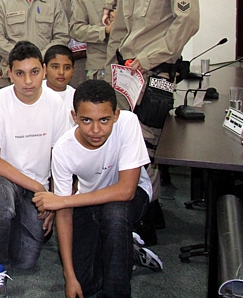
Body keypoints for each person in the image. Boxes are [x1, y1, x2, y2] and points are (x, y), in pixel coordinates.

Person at [106, 0, 200, 244]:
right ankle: (152, 208)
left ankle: (142, 218)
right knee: (126, 144)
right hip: (125, 75)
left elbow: (186, 25)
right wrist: (111, 68)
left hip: (156, 74)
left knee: (146, 148)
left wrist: (145, 60)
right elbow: (119, 29)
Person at [33, 80, 153, 298]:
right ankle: (124, 247)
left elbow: (126, 190)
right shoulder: (63, 150)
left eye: (104, 120)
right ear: (74, 116)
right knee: (85, 284)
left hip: (132, 196)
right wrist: (69, 276)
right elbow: (64, 215)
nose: (96, 130)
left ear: (116, 115)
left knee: (115, 213)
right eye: (86, 120)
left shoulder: (128, 123)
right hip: (88, 200)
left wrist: (64, 200)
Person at [0, 41, 70, 297]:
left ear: (44, 71)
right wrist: (40, 188)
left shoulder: (55, 104)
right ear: (8, 73)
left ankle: (0, 228)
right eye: (20, 73)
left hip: (34, 184)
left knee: (26, 260)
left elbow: (61, 158)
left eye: (34, 72)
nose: (28, 80)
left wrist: (55, 201)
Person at [43, 44, 76, 122]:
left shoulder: (76, 96)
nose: (61, 72)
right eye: (55, 67)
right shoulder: (34, 92)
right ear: (45, 68)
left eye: (67, 68)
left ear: (73, 71)